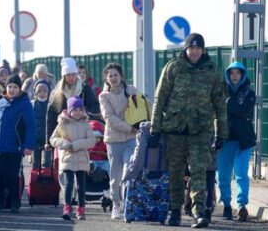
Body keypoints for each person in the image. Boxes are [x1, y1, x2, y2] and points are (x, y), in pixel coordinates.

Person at [149, 33, 228, 228]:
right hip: (175, 128)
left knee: (199, 170)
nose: (194, 51)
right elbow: (160, 100)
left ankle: (199, 212)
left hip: (200, 129)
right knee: (175, 172)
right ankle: (175, 211)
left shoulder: (212, 71)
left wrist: (221, 133)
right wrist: (155, 129)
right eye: (191, 48)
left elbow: (220, 104)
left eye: (198, 48)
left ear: (203, 49)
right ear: (185, 49)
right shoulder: (173, 68)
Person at [98, 62, 139, 220]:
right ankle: (116, 205)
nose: (113, 78)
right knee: (115, 176)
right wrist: (130, 128)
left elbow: (144, 107)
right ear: (106, 78)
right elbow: (110, 119)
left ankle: (129, 203)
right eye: (110, 76)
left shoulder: (131, 90)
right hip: (114, 140)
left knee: (130, 170)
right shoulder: (104, 96)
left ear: (121, 76)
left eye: (116, 75)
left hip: (131, 139)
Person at [217, 61, 256, 222]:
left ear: (242, 75)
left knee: (241, 174)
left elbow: (244, 110)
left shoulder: (249, 93)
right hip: (224, 139)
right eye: (231, 73)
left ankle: (241, 205)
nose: (234, 76)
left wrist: (228, 104)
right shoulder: (220, 92)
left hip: (243, 140)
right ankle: (226, 204)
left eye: (238, 73)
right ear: (228, 75)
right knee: (224, 176)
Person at [50, 95, 95, 220]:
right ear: (69, 111)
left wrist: (76, 145)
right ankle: (67, 207)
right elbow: (53, 139)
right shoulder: (62, 124)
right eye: (74, 110)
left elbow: (91, 140)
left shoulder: (86, 125)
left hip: (81, 158)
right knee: (68, 184)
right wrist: (63, 143)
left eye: (80, 109)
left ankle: (81, 209)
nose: (77, 112)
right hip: (67, 159)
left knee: (81, 185)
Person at [0, 74, 35, 213]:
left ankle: (14, 202)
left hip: (16, 146)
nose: (12, 90)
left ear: (20, 88)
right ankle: (0, 197)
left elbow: (30, 126)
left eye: (15, 87)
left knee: (13, 176)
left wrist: (28, 145)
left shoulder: (25, 104)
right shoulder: (0, 102)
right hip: (0, 146)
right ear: (6, 87)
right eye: (9, 86)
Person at [45, 57, 101, 152]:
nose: (71, 77)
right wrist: (48, 141)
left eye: (73, 74)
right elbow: (51, 116)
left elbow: (95, 107)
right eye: (68, 75)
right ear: (64, 76)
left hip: (81, 132)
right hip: (64, 134)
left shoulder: (84, 88)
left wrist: (84, 115)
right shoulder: (58, 92)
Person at [31, 78, 51, 169]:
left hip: (48, 138)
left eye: (44, 91)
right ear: (36, 92)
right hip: (35, 137)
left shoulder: (51, 104)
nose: (42, 93)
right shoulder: (32, 104)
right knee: (36, 162)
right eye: (39, 91)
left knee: (47, 162)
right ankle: (36, 179)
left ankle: (47, 180)